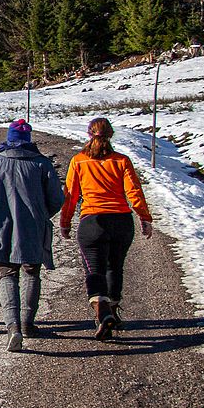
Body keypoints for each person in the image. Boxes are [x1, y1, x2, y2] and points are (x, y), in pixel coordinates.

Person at [0, 119, 64, 352]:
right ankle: (27, 323)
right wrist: (42, 214)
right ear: (28, 140)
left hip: (0, 224)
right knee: (32, 270)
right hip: (32, 225)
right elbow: (56, 198)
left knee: (7, 273)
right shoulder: (42, 164)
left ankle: (13, 327)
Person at [59, 117, 153, 340]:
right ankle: (112, 309)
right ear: (110, 135)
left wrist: (65, 222)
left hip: (92, 221)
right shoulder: (122, 161)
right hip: (121, 220)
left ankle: (102, 311)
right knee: (115, 267)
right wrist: (145, 218)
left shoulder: (79, 161)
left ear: (89, 134)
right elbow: (134, 193)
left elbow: (70, 196)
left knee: (94, 269)